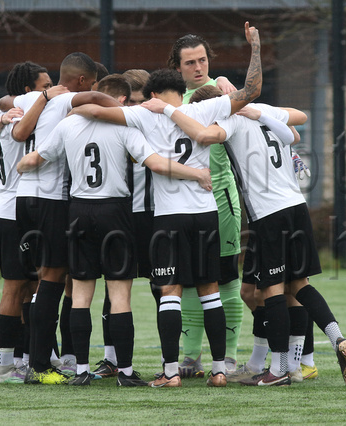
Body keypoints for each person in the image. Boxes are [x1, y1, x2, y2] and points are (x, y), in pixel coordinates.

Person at [69, 21, 263, 388]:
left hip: (169, 217)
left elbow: (96, 111)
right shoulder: (208, 109)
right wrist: (255, 47)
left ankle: (171, 372)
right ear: (180, 83)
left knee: (170, 293)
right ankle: (221, 368)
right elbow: (252, 89)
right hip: (206, 213)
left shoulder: (144, 115)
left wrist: (68, 104)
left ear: (155, 93)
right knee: (211, 290)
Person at [152, 84, 346, 387]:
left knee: (273, 289)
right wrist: (262, 111)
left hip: (268, 214)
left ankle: (279, 370)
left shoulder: (231, 120)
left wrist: (167, 110)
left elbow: (202, 135)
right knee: (297, 285)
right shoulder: (263, 113)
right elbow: (297, 127)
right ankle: (336, 338)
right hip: (297, 208)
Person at [17, 73, 213, 387]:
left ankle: (81, 371)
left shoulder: (67, 125)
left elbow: (33, 159)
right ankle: (124, 372)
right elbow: (158, 164)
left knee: (80, 294)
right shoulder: (125, 127)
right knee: (120, 294)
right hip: (116, 213)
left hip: (78, 210)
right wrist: (197, 174)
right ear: (119, 101)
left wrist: (21, 168)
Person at [11, 52, 121, 385]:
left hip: (23, 196)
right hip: (50, 199)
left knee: (40, 280)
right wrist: (120, 108)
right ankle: (42, 366)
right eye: (94, 84)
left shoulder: (35, 97)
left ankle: (33, 358)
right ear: (83, 81)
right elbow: (93, 98)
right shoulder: (66, 98)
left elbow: (8, 105)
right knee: (53, 279)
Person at [167, 33, 243, 377]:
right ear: (177, 67)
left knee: (225, 279)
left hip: (221, 198)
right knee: (186, 281)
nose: (198, 68)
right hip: (182, 204)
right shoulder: (169, 98)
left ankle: (228, 356)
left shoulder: (223, 92)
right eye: (190, 62)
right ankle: (191, 357)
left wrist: (226, 81)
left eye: (203, 60)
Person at [0, 61, 55, 384]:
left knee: (30, 286)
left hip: (4, 207)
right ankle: (5, 366)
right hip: (14, 212)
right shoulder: (24, 116)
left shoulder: (1, 117)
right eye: (45, 85)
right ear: (28, 90)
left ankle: (27, 359)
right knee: (15, 286)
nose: (50, 91)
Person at [92, 69, 153, 379]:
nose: (134, 109)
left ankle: (175, 361)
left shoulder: (152, 123)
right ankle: (111, 358)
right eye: (130, 102)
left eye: (140, 102)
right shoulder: (110, 124)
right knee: (112, 287)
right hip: (118, 213)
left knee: (164, 287)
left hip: (150, 215)